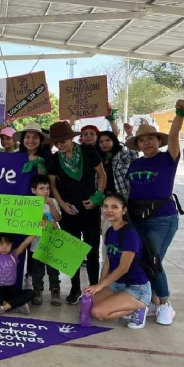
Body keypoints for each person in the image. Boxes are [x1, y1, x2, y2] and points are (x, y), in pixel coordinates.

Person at [124, 99, 184, 325]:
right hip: (136, 218)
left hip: (162, 218)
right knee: (141, 259)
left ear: (157, 141)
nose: (146, 143)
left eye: (150, 138)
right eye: (142, 140)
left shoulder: (167, 159)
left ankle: (165, 304)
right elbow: (132, 190)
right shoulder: (134, 165)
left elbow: (173, 136)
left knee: (153, 261)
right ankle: (152, 301)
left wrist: (180, 114)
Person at [47, 121, 106, 305]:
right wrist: (62, 204)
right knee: (71, 251)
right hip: (69, 211)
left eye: (63, 140)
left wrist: (97, 197)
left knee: (92, 249)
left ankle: (94, 287)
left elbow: (102, 175)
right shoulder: (54, 159)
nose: (60, 145)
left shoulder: (89, 151)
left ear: (71, 138)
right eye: (57, 143)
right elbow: (53, 185)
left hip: (90, 209)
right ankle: (75, 287)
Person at [85, 193, 152, 330]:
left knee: (98, 313)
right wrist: (99, 286)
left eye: (114, 207)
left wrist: (99, 286)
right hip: (117, 284)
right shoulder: (110, 231)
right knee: (86, 305)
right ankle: (122, 301)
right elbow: (108, 263)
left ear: (124, 210)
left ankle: (140, 307)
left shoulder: (130, 234)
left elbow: (123, 268)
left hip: (136, 287)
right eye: (105, 206)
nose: (108, 210)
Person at [0, 225, 35, 316]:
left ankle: (2, 307)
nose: (4, 247)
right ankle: (14, 305)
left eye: (8, 244)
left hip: (10, 291)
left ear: (12, 245)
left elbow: (25, 243)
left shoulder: (14, 254)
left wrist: (38, 228)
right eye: (1, 244)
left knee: (31, 293)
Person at [29, 174, 62, 306]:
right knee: (37, 270)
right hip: (35, 244)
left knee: (53, 270)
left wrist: (51, 205)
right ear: (33, 190)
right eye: (41, 188)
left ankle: (55, 291)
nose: (45, 191)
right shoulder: (30, 203)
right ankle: (38, 291)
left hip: (51, 244)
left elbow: (58, 218)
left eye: (47, 188)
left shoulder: (52, 202)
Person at [96, 131, 138, 199]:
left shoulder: (121, 154)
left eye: (107, 140)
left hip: (122, 195)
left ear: (114, 141)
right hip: (104, 197)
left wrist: (129, 134)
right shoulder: (98, 159)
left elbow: (134, 156)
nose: (104, 143)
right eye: (101, 142)